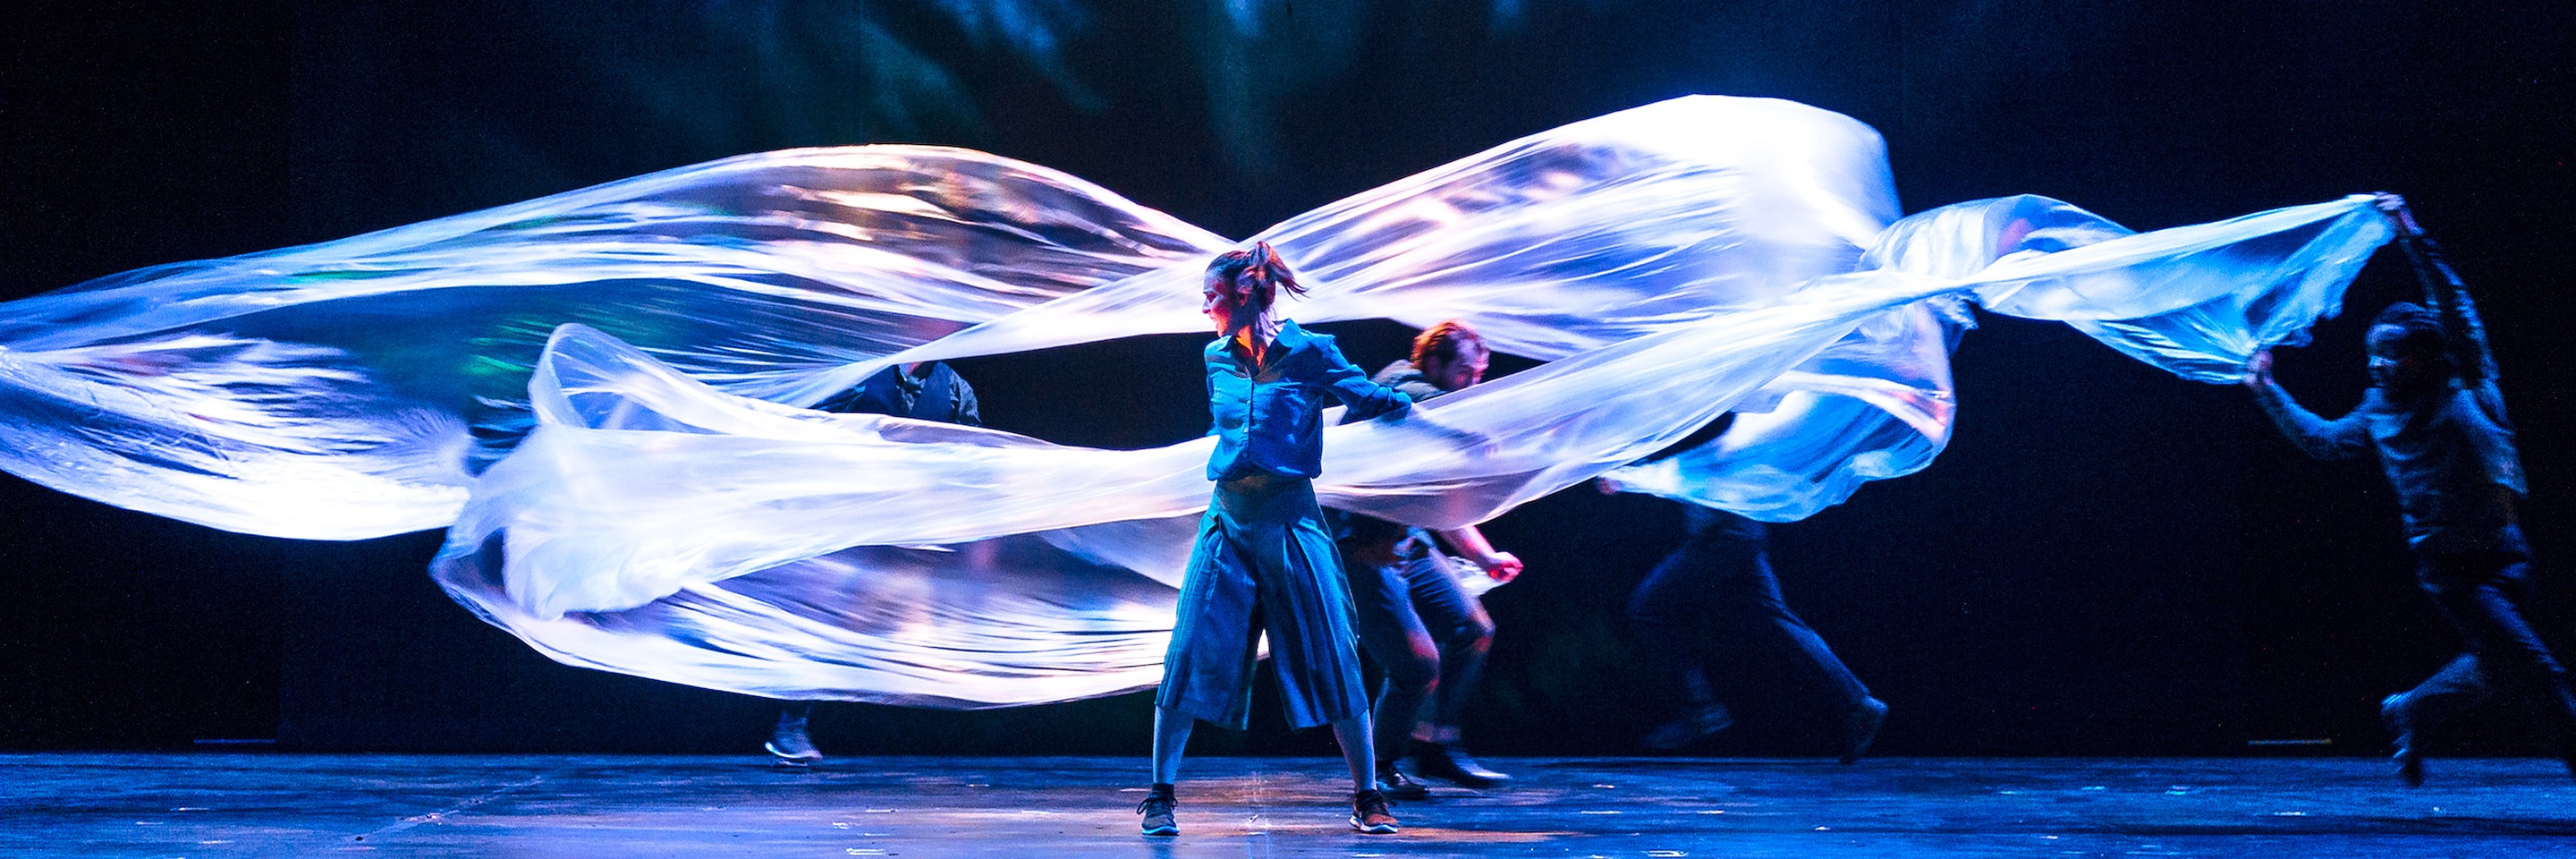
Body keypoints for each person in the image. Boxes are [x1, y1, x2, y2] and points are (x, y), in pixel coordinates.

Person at [2242, 192, 2576, 787]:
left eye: (2392, 356)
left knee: (2500, 666)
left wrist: (2411, 235)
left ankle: (2412, 707)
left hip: (2508, 550)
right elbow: (2323, 441)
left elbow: (2453, 304)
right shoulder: (2375, 411)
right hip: (2451, 568)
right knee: (2537, 669)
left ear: (2426, 356)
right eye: (2373, 356)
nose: (2377, 367)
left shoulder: (2469, 377)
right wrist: (2268, 389)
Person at [1139, 242, 1414, 837]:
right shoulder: (1215, 355)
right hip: (1229, 520)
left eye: (1211, 296)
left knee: (1333, 651)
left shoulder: (1310, 350)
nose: (1203, 307)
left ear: (1242, 295)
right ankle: (1160, 794)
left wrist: (1442, 407)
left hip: (1291, 519)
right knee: (1190, 648)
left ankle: (1367, 796)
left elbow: (1372, 398)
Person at [1597, 412, 1887, 763]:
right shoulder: (1724, 406)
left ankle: (1700, 711)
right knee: (1778, 621)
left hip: (1725, 535)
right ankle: (1857, 702)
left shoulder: (1720, 412)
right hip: (1737, 531)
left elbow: (1697, 466)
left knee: (1648, 609)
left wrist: (1629, 479)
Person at [1334, 320, 1522, 798]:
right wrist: (1467, 436)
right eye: (1465, 373)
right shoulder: (1400, 387)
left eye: (1479, 375)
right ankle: (1379, 770)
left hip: (1407, 543)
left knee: (1472, 631)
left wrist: (1484, 558)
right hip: (1361, 551)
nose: (1472, 385)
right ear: (1433, 363)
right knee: (1416, 666)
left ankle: (1435, 746)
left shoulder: (1439, 414)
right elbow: (1419, 408)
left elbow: (1436, 504)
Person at [764, 360, 981, 766]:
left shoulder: (953, 387)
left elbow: (973, 457)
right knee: (828, 621)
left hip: (907, 531)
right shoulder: (860, 375)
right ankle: (790, 724)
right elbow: (806, 432)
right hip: (845, 523)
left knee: (878, 624)